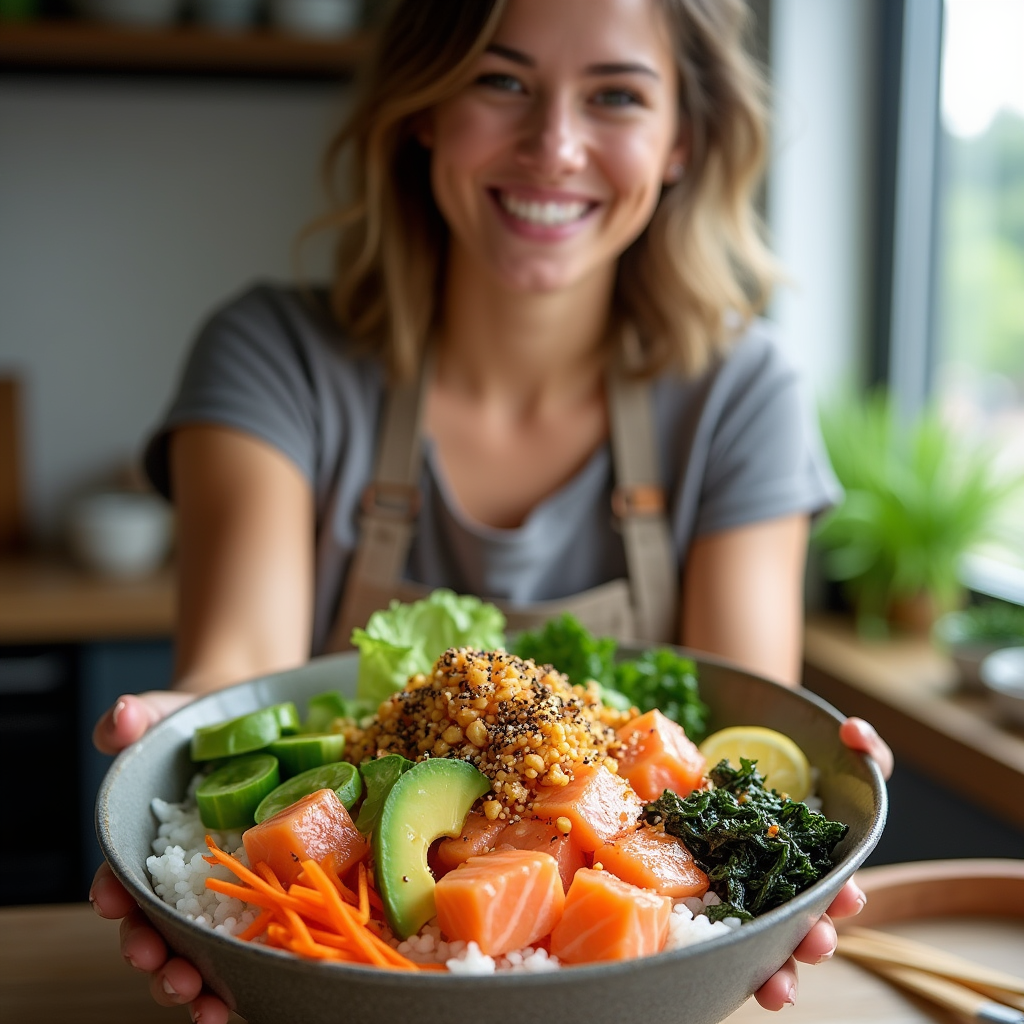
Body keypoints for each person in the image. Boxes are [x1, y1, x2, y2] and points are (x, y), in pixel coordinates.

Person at [90, 0, 894, 1020]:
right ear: (421, 107)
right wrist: (179, 733)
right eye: (500, 80)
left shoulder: (744, 394)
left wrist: (777, 860)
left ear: (683, 136)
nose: (553, 146)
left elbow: (745, 723)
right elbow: (237, 675)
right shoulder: (272, 356)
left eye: (615, 95)